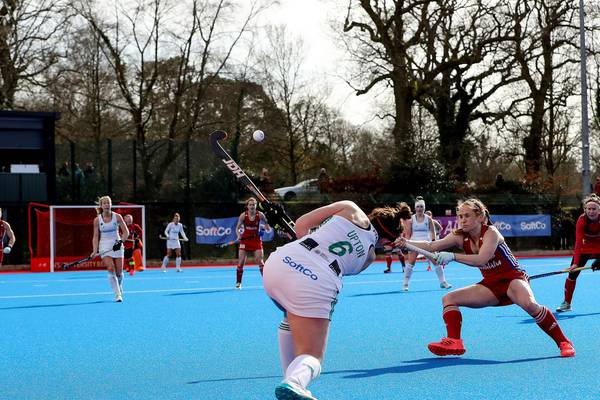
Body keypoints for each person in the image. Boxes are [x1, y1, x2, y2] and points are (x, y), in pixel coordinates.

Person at [396, 198, 575, 358]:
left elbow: (482, 259)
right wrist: (407, 243)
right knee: (449, 298)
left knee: (529, 304)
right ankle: (455, 342)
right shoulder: (459, 236)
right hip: (490, 285)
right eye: (460, 216)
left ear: (480, 217)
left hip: (513, 279)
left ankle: (564, 342)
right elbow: (431, 245)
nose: (462, 220)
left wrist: (453, 256)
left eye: (467, 216)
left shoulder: (491, 232)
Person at [263, 201, 403, 400]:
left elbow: (301, 225)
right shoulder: (370, 257)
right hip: (315, 281)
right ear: (386, 240)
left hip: (279, 264)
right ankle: (294, 381)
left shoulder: (350, 208)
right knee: (312, 356)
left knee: (290, 315)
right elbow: (345, 263)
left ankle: (291, 380)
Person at [556, 194, 600, 312]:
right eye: (589, 209)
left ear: (599, 210)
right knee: (572, 275)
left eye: (594, 209)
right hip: (586, 248)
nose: (591, 211)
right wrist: (575, 263)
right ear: (585, 210)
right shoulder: (581, 220)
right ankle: (567, 303)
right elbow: (578, 242)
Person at [402, 197, 451, 290]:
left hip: (426, 243)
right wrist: (407, 244)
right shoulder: (411, 219)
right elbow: (408, 234)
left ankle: (443, 282)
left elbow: (433, 232)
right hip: (414, 244)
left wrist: (433, 243)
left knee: (436, 262)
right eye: (418, 206)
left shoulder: (428, 219)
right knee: (411, 263)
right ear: (415, 208)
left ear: (424, 208)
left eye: (421, 207)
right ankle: (405, 284)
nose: (420, 208)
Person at [91, 196, 129, 302]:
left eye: (109, 203)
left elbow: (126, 232)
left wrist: (120, 242)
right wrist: (95, 250)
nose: (107, 204)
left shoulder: (117, 217)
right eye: (105, 203)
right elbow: (95, 237)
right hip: (104, 246)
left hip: (117, 244)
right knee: (110, 268)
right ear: (101, 206)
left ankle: (119, 286)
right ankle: (117, 294)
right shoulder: (97, 220)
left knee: (119, 273)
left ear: (111, 204)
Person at [234, 197, 271, 289]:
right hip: (245, 240)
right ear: (247, 206)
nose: (252, 206)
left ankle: (267, 284)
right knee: (241, 263)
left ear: (256, 205)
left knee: (261, 262)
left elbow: (268, 227)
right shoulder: (243, 215)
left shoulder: (260, 215)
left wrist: (264, 228)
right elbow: (237, 228)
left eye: (253, 204)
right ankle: (238, 283)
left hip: (256, 240)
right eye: (250, 204)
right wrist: (239, 235)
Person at [383, 202, 410, 274]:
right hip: (388, 237)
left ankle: (404, 267)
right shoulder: (392, 217)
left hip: (396, 238)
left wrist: (399, 238)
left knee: (399, 252)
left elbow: (401, 230)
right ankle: (389, 268)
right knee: (388, 252)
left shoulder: (401, 220)